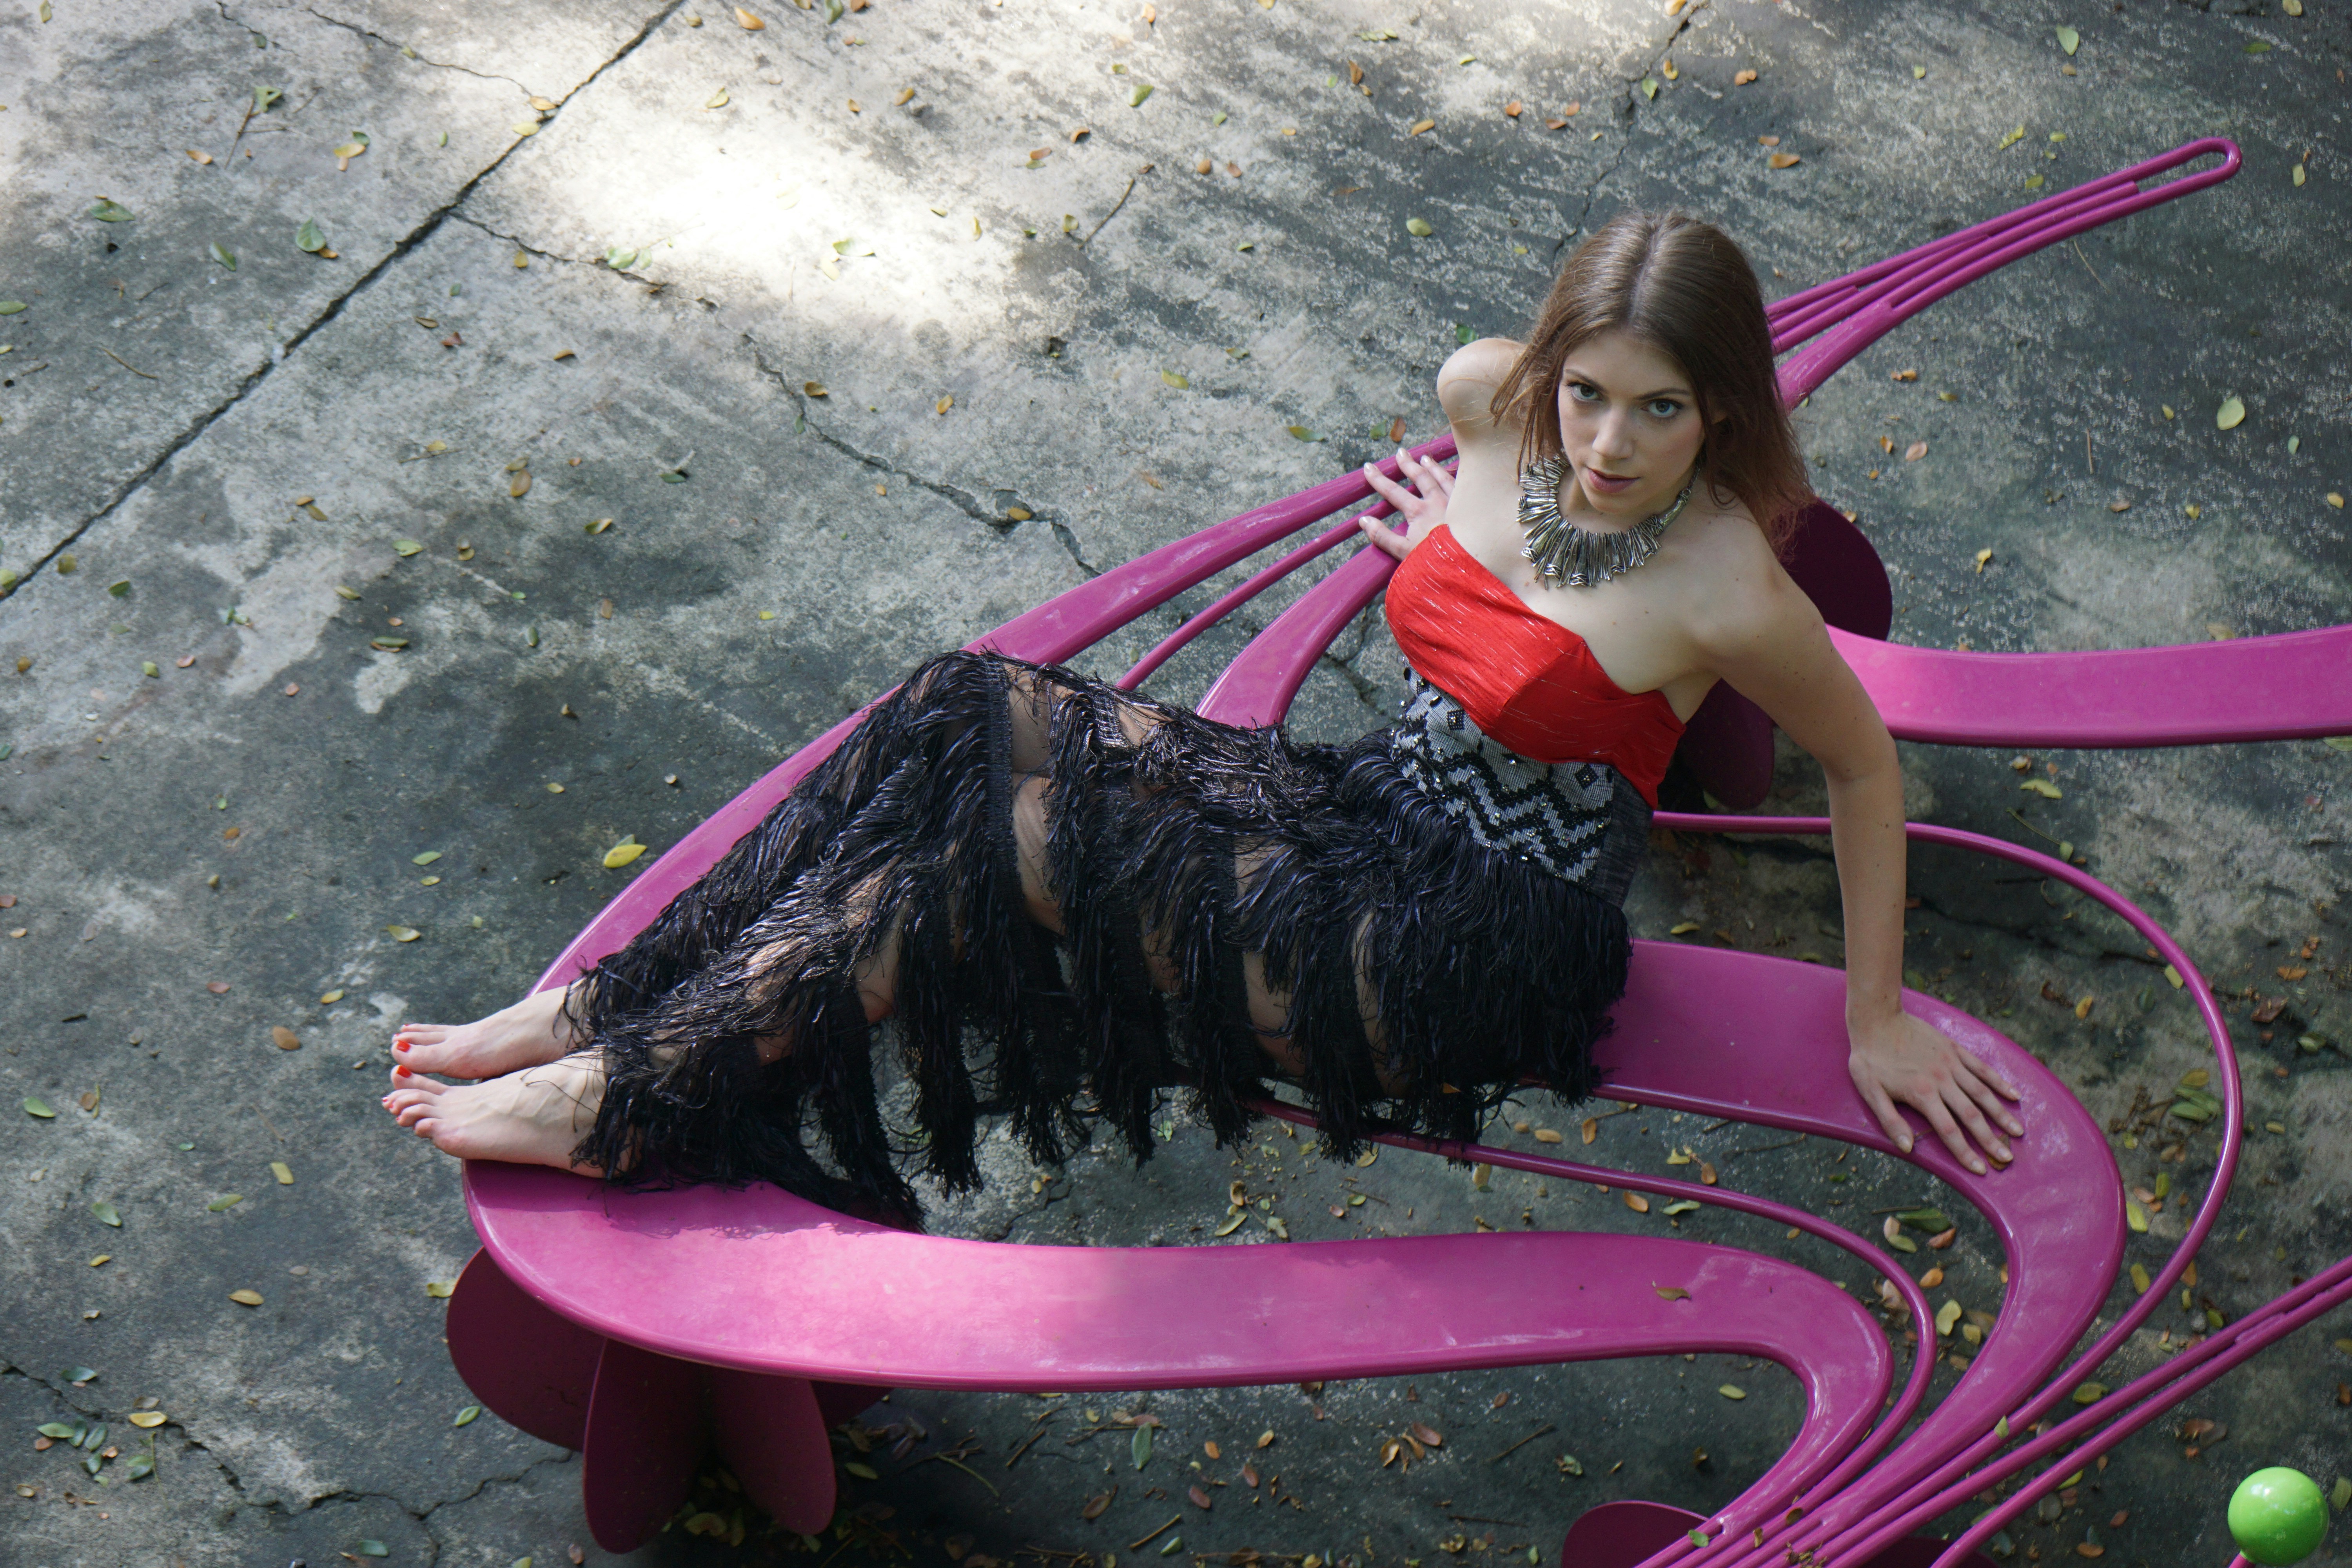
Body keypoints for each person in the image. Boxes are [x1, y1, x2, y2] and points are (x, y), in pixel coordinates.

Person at [379, 210, 2024, 1225]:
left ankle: (627, 1082)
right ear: (1548, 361)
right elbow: (1508, 502)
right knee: (969, 707)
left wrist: (1877, 1015)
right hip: (1361, 810)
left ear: (1721, 409)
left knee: (1002, 844)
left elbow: (1862, 766)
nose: (1607, 443)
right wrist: (1452, 558)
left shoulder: (1734, 582)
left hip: (1468, 943)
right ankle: (622, 1011)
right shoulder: (1489, 407)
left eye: (1662, 412)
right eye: (1588, 391)